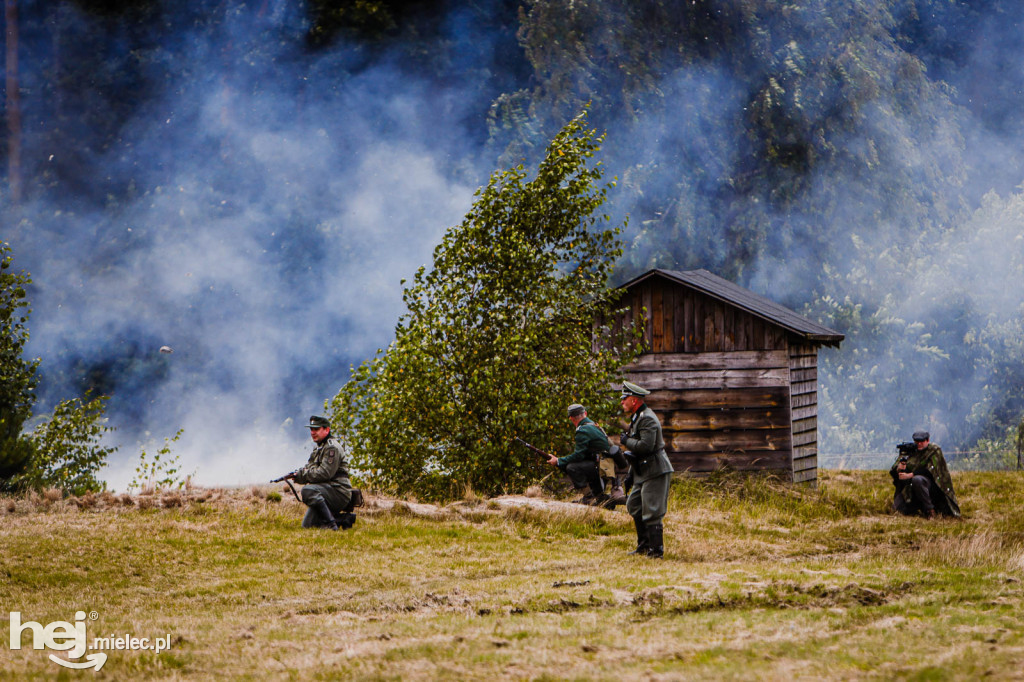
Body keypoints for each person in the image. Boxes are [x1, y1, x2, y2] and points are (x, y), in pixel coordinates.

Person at [619, 381, 674, 558]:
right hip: (642, 470)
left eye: (624, 399)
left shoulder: (647, 418)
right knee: (634, 504)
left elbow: (645, 446)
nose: (622, 403)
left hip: (655, 469)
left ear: (634, 400)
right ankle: (643, 545)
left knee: (652, 510)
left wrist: (626, 441)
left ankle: (656, 551)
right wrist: (630, 475)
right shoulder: (638, 417)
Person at [283, 416, 358, 531]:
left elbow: (324, 473)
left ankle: (332, 525)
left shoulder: (332, 448)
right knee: (308, 526)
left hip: (338, 491)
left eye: (316, 429)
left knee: (308, 490)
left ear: (326, 430)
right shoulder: (319, 448)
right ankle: (344, 519)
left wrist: (302, 475)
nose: (313, 433)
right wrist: (298, 475)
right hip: (326, 491)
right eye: (311, 430)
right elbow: (310, 467)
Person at [545, 404, 612, 506]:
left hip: (601, 467)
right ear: (585, 413)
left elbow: (578, 455)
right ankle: (599, 497)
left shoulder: (583, 430)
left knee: (572, 467)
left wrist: (558, 461)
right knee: (582, 465)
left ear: (571, 418)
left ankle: (589, 497)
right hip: (607, 466)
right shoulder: (594, 425)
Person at [890, 431, 961, 519]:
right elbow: (894, 471)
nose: (919, 444)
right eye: (917, 441)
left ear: (927, 441)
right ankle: (917, 507)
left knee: (917, 480)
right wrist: (899, 469)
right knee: (897, 508)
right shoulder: (910, 451)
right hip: (911, 489)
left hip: (932, 489)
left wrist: (911, 475)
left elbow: (930, 471)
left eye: (922, 441)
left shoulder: (934, 451)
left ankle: (930, 511)